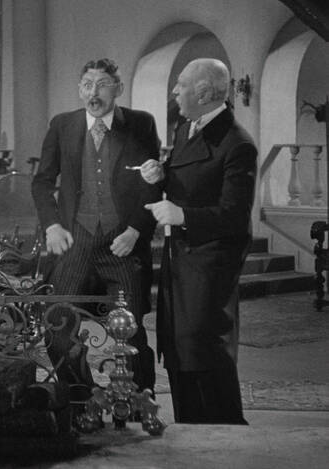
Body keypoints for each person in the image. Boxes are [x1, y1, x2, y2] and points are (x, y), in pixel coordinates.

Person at [31, 58, 161, 394]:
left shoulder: (140, 124)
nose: (94, 93)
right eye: (88, 85)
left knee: (131, 332)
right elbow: (42, 182)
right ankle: (79, 398)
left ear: (118, 89)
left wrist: (135, 230)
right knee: (57, 325)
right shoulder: (63, 125)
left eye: (102, 85)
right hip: (76, 241)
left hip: (122, 244)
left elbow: (152, 183)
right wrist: (52, 226)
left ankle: (137, 405)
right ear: (79, 89)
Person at [141, 58, 257, 424]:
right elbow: (192, 178)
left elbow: (235, 216)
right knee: (178, 349)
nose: (175, 91)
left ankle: (223, 437)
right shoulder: (185, 128)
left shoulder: (237, 143)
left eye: (181, 85)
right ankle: (189, 435)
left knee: (204, 351)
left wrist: (182, 216)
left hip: (210, 263)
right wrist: (160, 176)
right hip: (181, 259)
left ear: (204, 93)